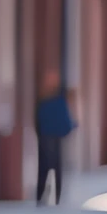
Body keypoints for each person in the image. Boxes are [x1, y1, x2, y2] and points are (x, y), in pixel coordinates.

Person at [35, 70, 75, 205]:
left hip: (46, 137)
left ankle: (41, 196)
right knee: (56, 168)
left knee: (45, 168)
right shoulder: (59, 100)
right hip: (56, 137)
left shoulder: (43, 100)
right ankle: (55, 197)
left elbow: (39, 119)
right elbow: (67, 120)